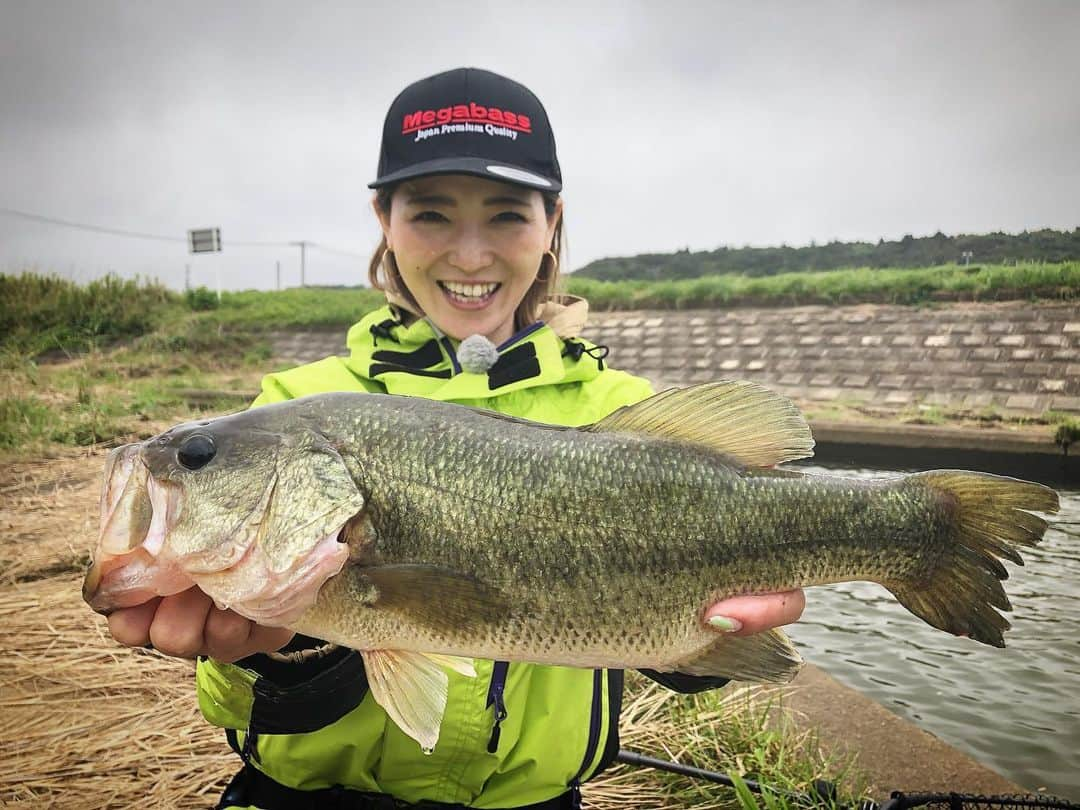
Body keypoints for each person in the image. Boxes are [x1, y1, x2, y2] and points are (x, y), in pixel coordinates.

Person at [106, 67, 805, 809]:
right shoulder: (292, 405)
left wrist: (700, 650)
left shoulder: (626, 411)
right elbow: (239, 699)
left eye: (506, 215)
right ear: (384, 218)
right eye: (432, 215)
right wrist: (279, 650)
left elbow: (695, 643)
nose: (470, 255)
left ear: (552, 222)